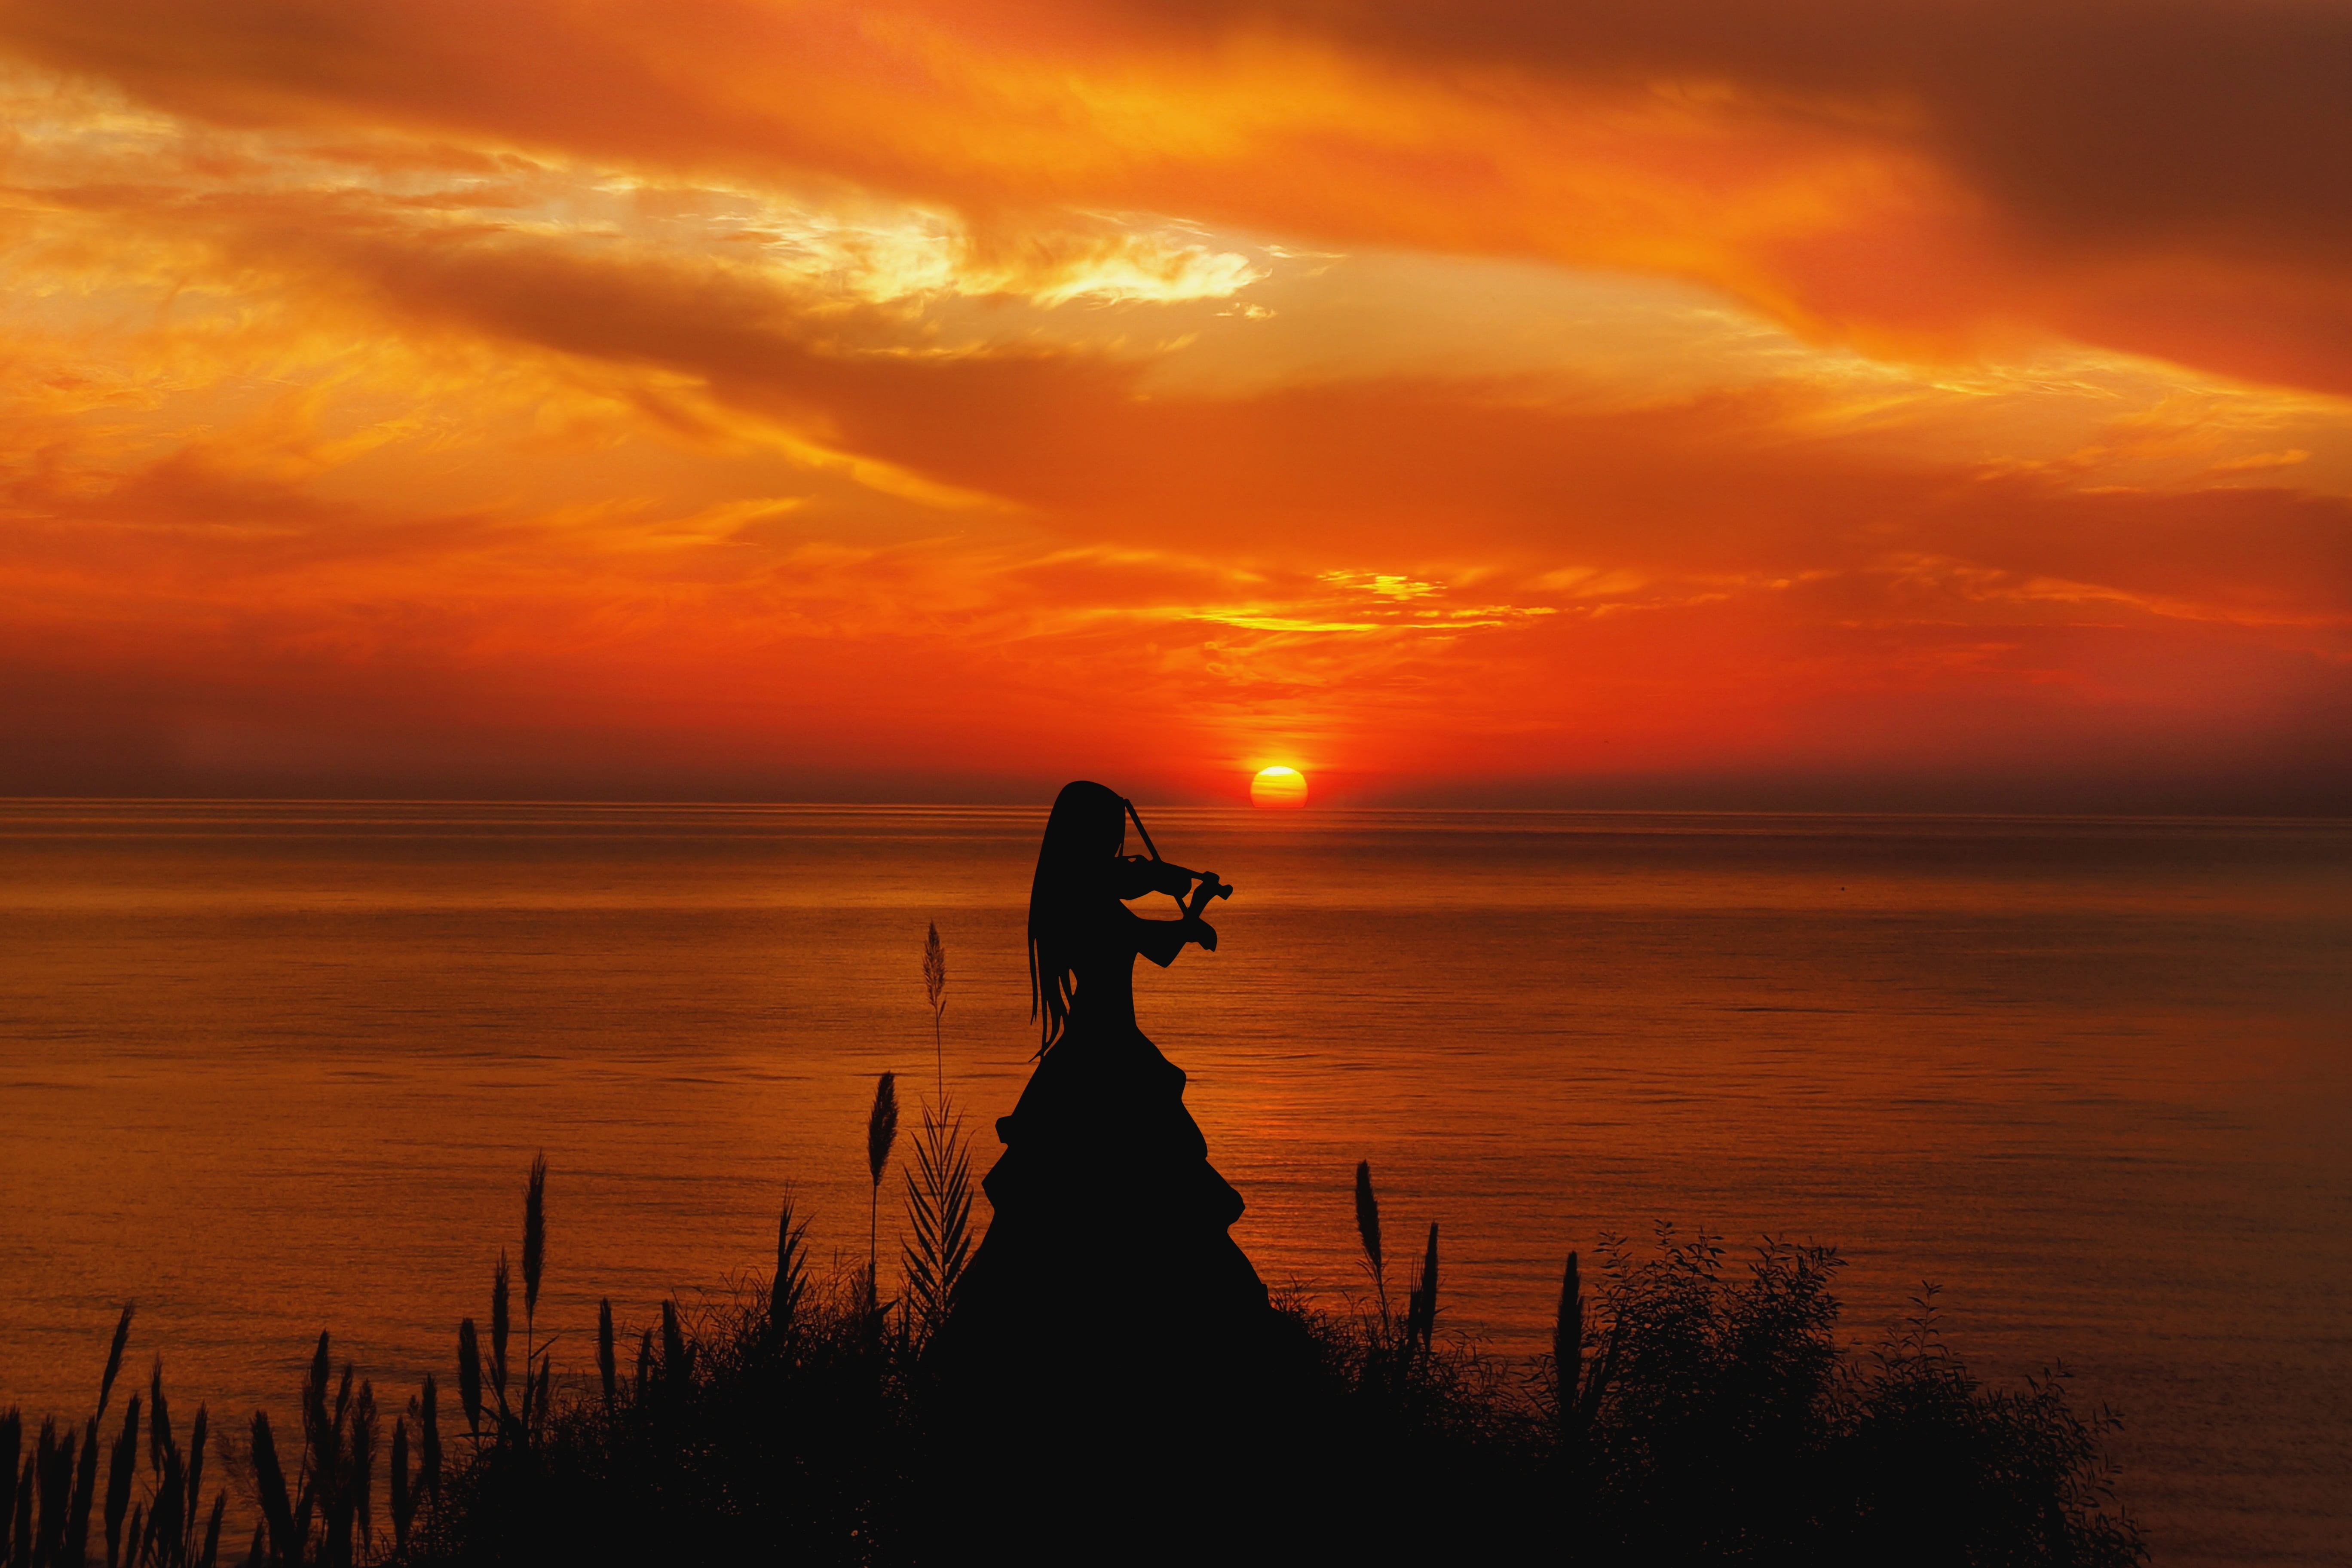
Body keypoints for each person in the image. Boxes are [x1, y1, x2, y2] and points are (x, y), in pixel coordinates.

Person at [933, 781, 1282, 1551]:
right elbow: (1152, 945)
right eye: (1111, 833)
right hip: (1111, 1065)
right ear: (1092, 836)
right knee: (1155, 1207)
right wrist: (1193, 913)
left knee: (1059, 1215)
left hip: (1085, 1062)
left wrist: (1174, 893)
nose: (1123, 848)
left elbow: (1126, 888)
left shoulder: (1069, 893)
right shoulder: (1089, 899)